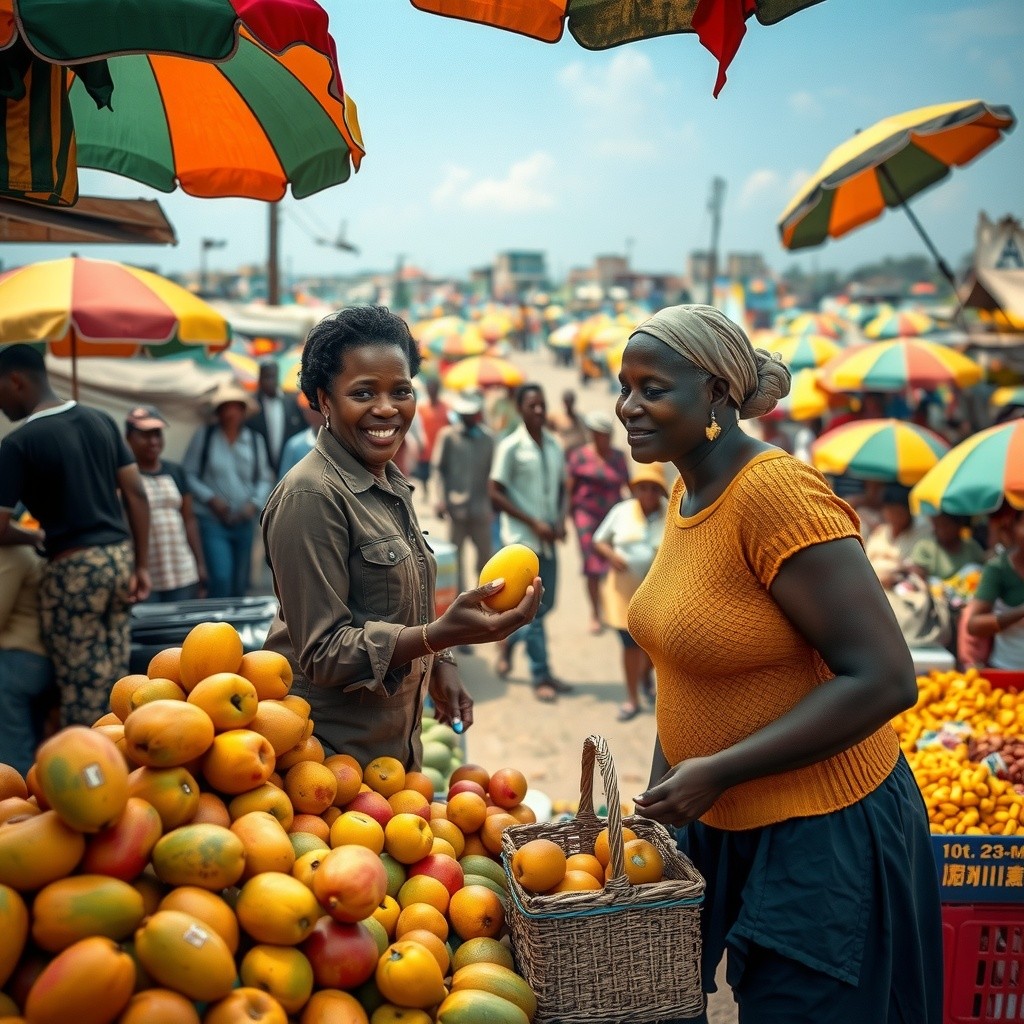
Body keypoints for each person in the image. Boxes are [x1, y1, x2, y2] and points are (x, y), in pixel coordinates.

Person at [616, 305, 941, 1023]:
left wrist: (721, 768)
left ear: (717, 395)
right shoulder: (686, 486)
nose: (628, 407)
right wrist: (658, 804)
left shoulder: (774, 493)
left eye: (652, 388)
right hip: (721, 820)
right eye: (625, 386)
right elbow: (690, 668)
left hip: (825, 830)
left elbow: (885, 676)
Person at [260, 305, 541, 768]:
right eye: (364, 392)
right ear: (324, 400)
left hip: (392, 756)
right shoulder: (311, 494)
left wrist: (442, 663)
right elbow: (324, 653)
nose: (387, 408)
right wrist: (435, 638)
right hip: (327, 763)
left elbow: (401, 597)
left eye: (401, 390)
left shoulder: (388, 480)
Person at [0, 344, 151, 726]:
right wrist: (143, 565)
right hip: (119, 560)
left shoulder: (17, 444)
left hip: (74, 569)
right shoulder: (100, 420)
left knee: (82, 688)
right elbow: (135, 493)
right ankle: (127, 757)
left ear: (16, 380)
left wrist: (33, 538)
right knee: (117, 680)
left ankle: (92, 771)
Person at [489, 383, 571, 703]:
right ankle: (542, 675)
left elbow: (563, 488)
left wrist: (560, 519)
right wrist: (532, 522)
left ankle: (508, 640)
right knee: (534, 612)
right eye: (531, 405)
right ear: (520, 409)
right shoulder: (511, 446)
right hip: (522, 543)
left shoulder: (553, 444)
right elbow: (495, 491)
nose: (538, 411)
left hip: (548, 539)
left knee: (546, 605)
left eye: (541, 405)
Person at [591, 463, 668, 721]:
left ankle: (646, 675)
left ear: (661, 491)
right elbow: (599, 540)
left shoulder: (671, 514)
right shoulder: (621, 512)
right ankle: (632, 698)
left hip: (657, 592)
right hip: (624, 592)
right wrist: (612, 556)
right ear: (635, 490)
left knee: (653, 646)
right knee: (629, 644)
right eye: (642, 488)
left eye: (653, 489)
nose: (647, 494)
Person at [183, 382, 274, 599]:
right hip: (212, 520)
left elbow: (264, 478)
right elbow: (188, 474)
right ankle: (216, 628)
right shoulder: (204, 437)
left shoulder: (254, 440)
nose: (231, 412)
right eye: (226, 406)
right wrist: (211, 499)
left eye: (236, 407)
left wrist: (253, 505)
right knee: (221, 577)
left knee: (240, 582)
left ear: (243, 411)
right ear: (218, 411)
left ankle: (236, 631)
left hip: (244, 520)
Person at [125, 404, 207, 602]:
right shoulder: (125, 477)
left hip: (181, 571)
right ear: (128, 438)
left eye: (157, 434)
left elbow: (188, 520)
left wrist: (200, 565)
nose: (153, 441)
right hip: (145, 575)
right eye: (145, 435)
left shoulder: (175, 472)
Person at [567, 410, 629, 634]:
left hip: (613, 515)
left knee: (616, 562)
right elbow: (569, 488)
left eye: (607, 434)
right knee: (592, 565)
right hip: (586, 516)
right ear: (593, 434)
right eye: (600, 434)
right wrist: (565, 516)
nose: (604, 438)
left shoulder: (619, 457)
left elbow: (629, 486)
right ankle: (595, 611)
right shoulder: (580, 456)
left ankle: (614, 607)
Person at [0, 534, 55, 774]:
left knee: (14, 753)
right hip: (36, 660)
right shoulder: (26, 550)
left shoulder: (12, 554)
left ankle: (18, 805)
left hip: (19, 661)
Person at [431, 389, 494, 594]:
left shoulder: (488, 440)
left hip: (481, 509)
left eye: (471, 414)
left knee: (486, 557)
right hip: (456, 508)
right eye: (464, 415)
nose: (468, 418)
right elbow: (438, 470)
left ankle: (483, 595)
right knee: (455, 558)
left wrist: (494, 505)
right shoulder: (448, 436)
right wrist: (439, 499)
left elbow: (494, 476)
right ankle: (459, 600)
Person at [965, 508, 1024, 670]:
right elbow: (974, 625)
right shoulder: (999, 569)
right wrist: (1019, 613)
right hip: (1006, 672)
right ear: (1014, 527)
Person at [864, 484, 931, 590]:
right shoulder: (881, 532)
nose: (894, 516)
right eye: (890, 511)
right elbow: (866, 560)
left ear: (908, 511)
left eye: (898, 512)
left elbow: (914, 569)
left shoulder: (922, 535)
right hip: (870, 588)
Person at [247, 360, 305, 478]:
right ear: (260, 379)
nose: (270, 381)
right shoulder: (252, 405)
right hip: (260, 475)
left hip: (290, 471)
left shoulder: (292, 402)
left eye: (272, 376)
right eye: (266, 377)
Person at [910, 512, 985, 582]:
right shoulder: (925, 548)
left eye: (944, 524)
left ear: (958, 525)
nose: (939, 529)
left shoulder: (971, 546)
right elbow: (918, 578)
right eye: (936, 524)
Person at [412, 376, 451, 487]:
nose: (432, 391)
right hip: (426, 449)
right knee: (424, 476)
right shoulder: (421, 407)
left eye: (434, 388)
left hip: (442, 449)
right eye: (430, 388)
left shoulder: (446, 407)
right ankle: (426, 492)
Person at [277, 391, 326, 478]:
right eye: (307, 410)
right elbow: (284, 481)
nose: (312, 414)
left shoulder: (339, 442)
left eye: (315, 410)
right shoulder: (294, 445)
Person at [546, 389, 587, 454]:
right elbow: (546, 428)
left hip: (578, 452)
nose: (569, 404)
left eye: (570, 401)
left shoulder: (579, 418)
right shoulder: (556, 416)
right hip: (563, 453)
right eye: (567, 401)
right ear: (564, 402)